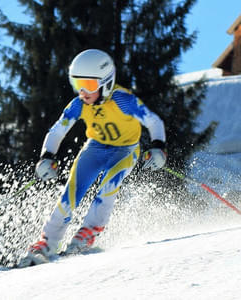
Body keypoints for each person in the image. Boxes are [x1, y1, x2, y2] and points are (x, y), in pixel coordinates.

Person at [20, 49, 167, 266]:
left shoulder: (123, 100)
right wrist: (47, 156)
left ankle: (87, 234)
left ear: (106, 82)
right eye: (77, 84)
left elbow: (154, 122)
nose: (82, 92)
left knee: (108, 185)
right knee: (71, 191)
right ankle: (47, 242)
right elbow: (57, 131)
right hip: (95, 149)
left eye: (88, 85)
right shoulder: (79, 104)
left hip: (125, 151)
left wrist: (158, 147)